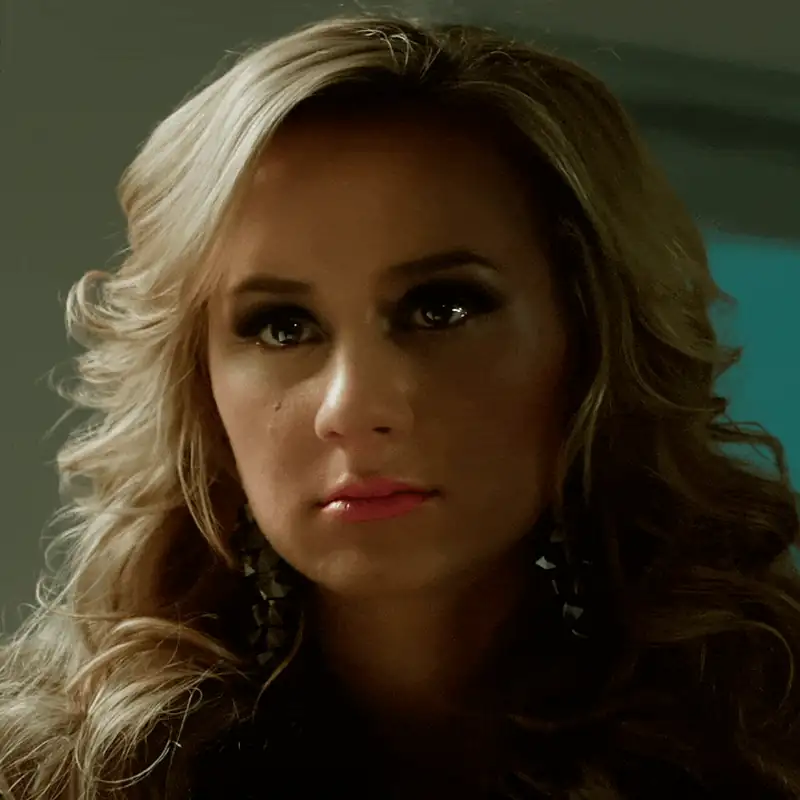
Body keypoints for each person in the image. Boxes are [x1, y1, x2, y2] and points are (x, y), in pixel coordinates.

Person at [1, 10, 799, 800]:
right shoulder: (57, 775)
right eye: (283, 327)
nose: (353, 408)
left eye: (440, 308)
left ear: (592, 337)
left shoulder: (766, 738)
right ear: (200, 386)